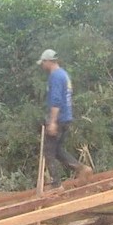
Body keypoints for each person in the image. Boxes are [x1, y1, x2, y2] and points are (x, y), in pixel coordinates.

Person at [36, 49, 93, 188]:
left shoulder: (55, 76)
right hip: (66, 117)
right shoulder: (64, 75)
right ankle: (81, 168)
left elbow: (56, 100)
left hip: (59, 119)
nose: (42, 66)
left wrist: (53, 122)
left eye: (43, 62)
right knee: (57, 150)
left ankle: (56, 184)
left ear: (49, 61)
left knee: (49, 152)